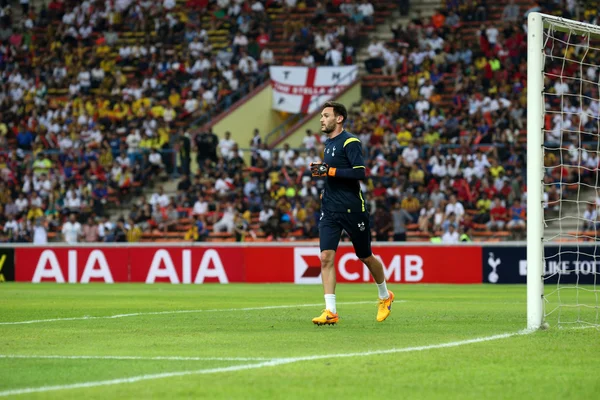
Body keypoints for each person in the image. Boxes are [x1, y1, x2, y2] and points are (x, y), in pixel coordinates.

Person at [309, 101, 394, 326]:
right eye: (321, 116)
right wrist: (325, 189)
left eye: (326, 116)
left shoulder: (350, 141)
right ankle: (331, 311)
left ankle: (385, 296)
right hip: (330, 210)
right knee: (326, 257)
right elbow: (333, 176)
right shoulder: (328, 144)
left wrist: (330, 171)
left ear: (339, 119)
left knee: (365, 256)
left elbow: (360, 173)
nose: (321, 119)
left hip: (353, 209)